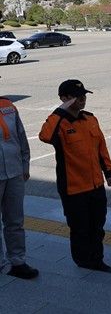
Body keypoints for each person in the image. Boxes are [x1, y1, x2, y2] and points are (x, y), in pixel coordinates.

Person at [39, 80, 111, 272]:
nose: (82, 99)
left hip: (96, 185)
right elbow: (45, 136)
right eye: (76, 96)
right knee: (80, 228)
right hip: (74, 188)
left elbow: (101, 147)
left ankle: (97, 259)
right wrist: (60, 110)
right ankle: (83, 261)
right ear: (64, 99)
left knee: (97, 226)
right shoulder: (59, 123)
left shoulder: (90, 119)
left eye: (83, 95)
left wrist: (108, 171)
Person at [0, 91, 39, 279]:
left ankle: (17, 261)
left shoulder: (8, 106)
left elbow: (21, 136)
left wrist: (25, 164)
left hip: (14, 172)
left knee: (15, 220)